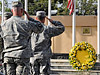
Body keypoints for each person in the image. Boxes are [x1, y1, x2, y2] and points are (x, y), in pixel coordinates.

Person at [1, 1, 44, 75]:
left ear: (12, 10)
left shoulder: (3, 24)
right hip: (22, 56)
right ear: (22, 11)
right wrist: (30, 18)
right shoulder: (27, 23)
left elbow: (1, 41)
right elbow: (40, 28)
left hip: (8, 56)